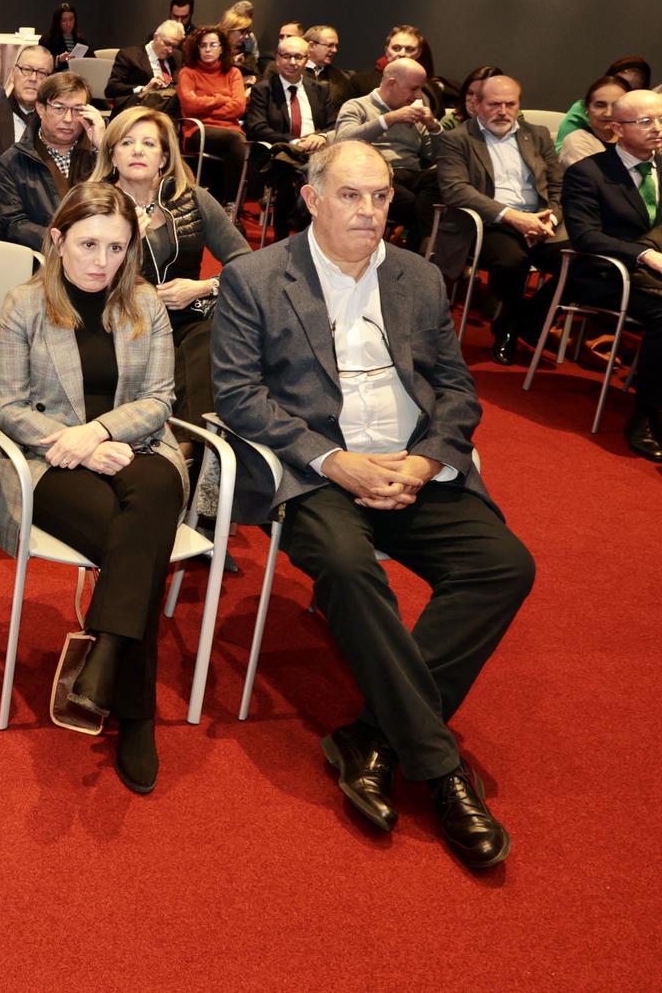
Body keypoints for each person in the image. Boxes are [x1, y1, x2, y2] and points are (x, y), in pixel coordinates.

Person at [212, 141, 534, 870]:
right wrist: (336, 461)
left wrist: (424, 459)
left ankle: (375, 738)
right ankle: (440, 767)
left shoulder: (418, 276)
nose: (369, 211)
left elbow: (456, 388)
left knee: (504, 565)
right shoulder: (256, 278)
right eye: (352, 195)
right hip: (319, 472)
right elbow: (238, 396)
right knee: (352, 568)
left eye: (381, 197)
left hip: (410, 465)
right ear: (312, 197)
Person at [0, 181, 187, 794]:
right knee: (142, 550)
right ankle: (135, 712)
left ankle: (105, 654)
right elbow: (9, 407)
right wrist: (74, 444)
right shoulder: (23, 305)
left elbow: (159, 400)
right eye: (89, 244)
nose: (102, 261)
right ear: (57, 240)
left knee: (153, 499)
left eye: (117, 247)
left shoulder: (146, 305)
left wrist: (98, 432)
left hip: (141, 448)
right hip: (52, 460)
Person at [94, 107, 248, 418]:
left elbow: (246, 262)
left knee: (205, 341)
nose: (137, 150)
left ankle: (190, 447)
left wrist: (203, 287)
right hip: (116, 317)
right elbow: (76, 275)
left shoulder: (192, 198)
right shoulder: (93, 203)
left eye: (149, 144)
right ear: (112, 156)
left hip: (183, 318)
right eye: (126, 142)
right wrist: (121, 244)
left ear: (164, 158)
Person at [431, 75, 564, 364]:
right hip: (490, 222)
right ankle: (508, 328)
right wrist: (513, 217)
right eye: (494, 104)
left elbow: (558, 185)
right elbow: (456, 190)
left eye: (510, 104)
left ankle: (525, 321)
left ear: (519, 105)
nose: (502, 111)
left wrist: (550, 220)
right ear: (476, 104)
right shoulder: (457, 139)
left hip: (541, 220)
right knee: (511, 262)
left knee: (580, 263)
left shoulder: (537, 134)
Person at [561, 89, 662, 460]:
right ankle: (646, 414)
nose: (657, 129)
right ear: (618, 129)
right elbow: (586, 237)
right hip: (606, 275)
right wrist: (644, 255)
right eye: (646, 122)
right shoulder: (588, 173)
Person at [0, 69, 99, 249]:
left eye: (77, 110)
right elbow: (14, 225)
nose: (68, 119)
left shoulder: (97, 154)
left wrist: (103, 148)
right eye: (59, 108)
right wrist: (64, 242)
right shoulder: (13, 161)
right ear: (41, 109)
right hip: (43, 258)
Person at [334, 57, 441, 235]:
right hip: (376, 174)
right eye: (414, 89)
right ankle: (424, 249)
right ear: (391, 84)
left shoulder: (414, 113)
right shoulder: (357, 106)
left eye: (421, 89)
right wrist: (389, 119)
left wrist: (434, 127)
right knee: (415, 205)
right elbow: (343, 141)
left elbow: (438, 156)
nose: (418, 96)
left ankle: (422, 247)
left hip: (411, 175)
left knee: (441, 180)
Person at [243, 33, 334, 236]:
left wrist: (321, 137)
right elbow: (257, 127)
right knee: (291, 171)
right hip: (280, 152)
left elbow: (333, 124)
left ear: (307, 59)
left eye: (299, 57)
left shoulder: (320, 90)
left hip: (316, 151)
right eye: (286, 56)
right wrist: (293, 142)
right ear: (277, 58)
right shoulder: (263, 90)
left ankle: (312, 230)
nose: (292, 62)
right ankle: (286, 233)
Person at [174, 24, 250, 208]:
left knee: (238, 143)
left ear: (222, 47)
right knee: (234, 141)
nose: (208, 49)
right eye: (203, 45)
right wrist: (220, 99)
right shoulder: (188, 73)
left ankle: (229, 205)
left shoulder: (233, 73)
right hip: (197, 131)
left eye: (213, 45)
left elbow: (239, 107)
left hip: (230, 132)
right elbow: (190, 105)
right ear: (196, 48)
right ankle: (232, 205)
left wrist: (205, 103)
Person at [106, 21, 184, 109]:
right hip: (138, 108)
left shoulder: (177, 56)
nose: (170, 50)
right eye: (167, 44)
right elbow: (111, 88)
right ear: (155, 37)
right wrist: (143, 89)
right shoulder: (130, 56)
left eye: (174, 46)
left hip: (170, 108)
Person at [558, 73, 627, 168]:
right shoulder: (576, 141)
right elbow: (594, 181)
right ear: (587, 108)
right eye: (600, 105)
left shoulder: (634, 137)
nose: (608, 113)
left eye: (616, 106)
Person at [303, 24, 351, 100]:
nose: (334, 50)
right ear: (311, 46)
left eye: (335, 46)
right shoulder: (294, 73)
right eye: (330, 45)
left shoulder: (343, 78)